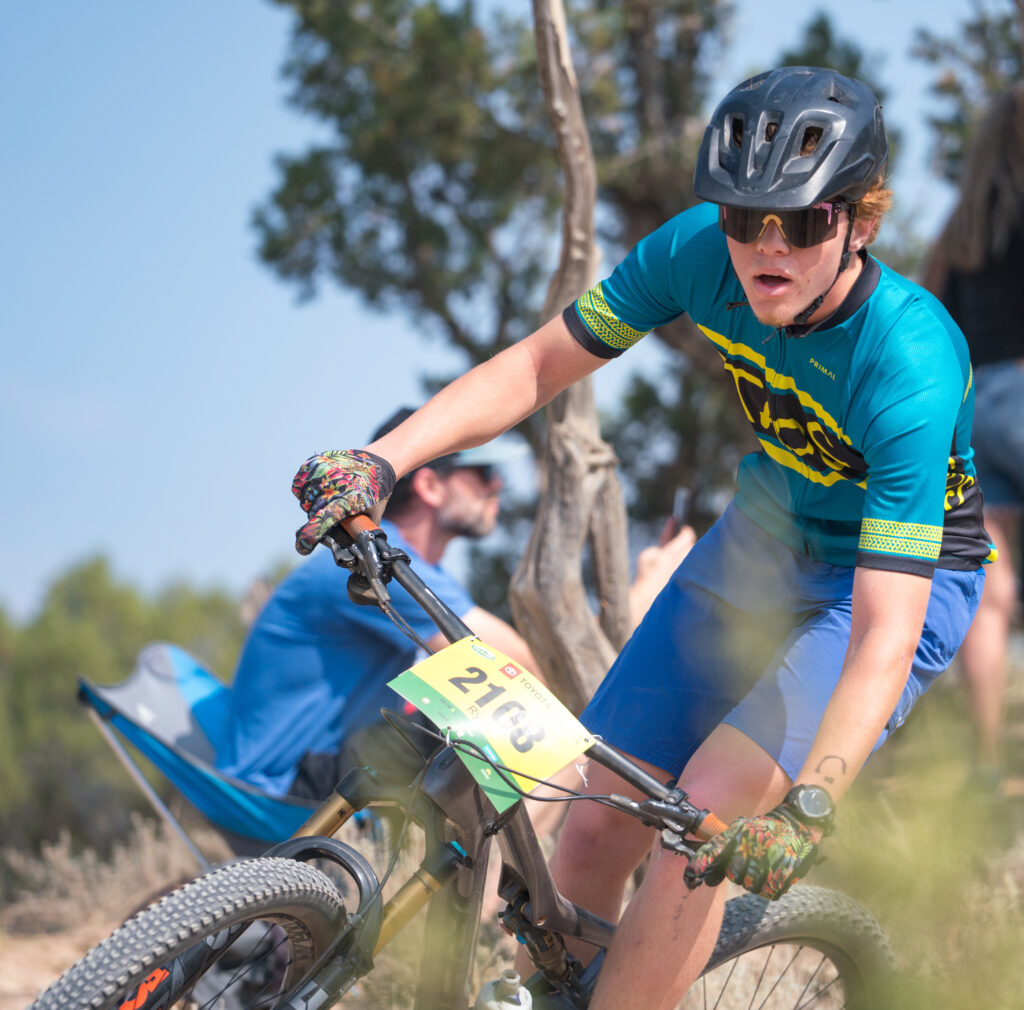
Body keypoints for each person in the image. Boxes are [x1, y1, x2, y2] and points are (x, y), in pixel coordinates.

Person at [287, 67, 990, 1009]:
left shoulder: (910, 360)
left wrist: (810, 806)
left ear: (859, 222)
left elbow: (882, 633)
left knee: (706, 822)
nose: (766, 246)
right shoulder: (694, 253)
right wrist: (383, 459)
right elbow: (538, 367)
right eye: (743, 216)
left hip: (891, 579)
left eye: (802, 222)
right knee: (591, 823)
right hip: (764, 536)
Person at [217, 407, 693, 805]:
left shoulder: (392, 560)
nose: (498, 485)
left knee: (515, 732)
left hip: (310, 768)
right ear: (430, 486)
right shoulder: (377, 562)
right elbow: (529, 666)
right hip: (281, 785)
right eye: (483, 473)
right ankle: (501, 895)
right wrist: (644, 593)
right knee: (558, 743)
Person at [924, 82, 1024, 788]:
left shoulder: (958, 233)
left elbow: (929, 322)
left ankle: (987, 762)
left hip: (972, 404)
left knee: (989, 584)